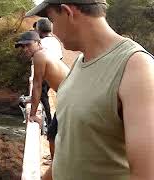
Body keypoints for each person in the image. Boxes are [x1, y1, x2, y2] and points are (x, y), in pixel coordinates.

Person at [26, 0, 154, 180]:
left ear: (68, 12)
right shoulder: (80, 63)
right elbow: (70, 151)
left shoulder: (137, 68)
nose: (53, 31)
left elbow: (145, 175)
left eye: (52, 20)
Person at [15, 30, 69, 140]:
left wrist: (33, 114)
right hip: (69, 96)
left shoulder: (39, 56)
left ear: (38, 43)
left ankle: (55, 157)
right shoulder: (44, 53)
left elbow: (37, 85)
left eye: (28, 45)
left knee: (53, 135)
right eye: (23, 46)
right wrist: (32, 99)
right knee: (56, 134)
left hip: (70, 97)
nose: (25, 49)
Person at [36, 18, 64, 161]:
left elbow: (36, 84)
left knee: (42, 96)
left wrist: (33, 113)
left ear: (38, 30)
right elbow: (60, 57)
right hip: (63, 90)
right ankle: (55, 160)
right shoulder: (55, 42)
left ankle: (55, 161)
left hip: (64, 93)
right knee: (56, 131)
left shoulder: (40, 47)